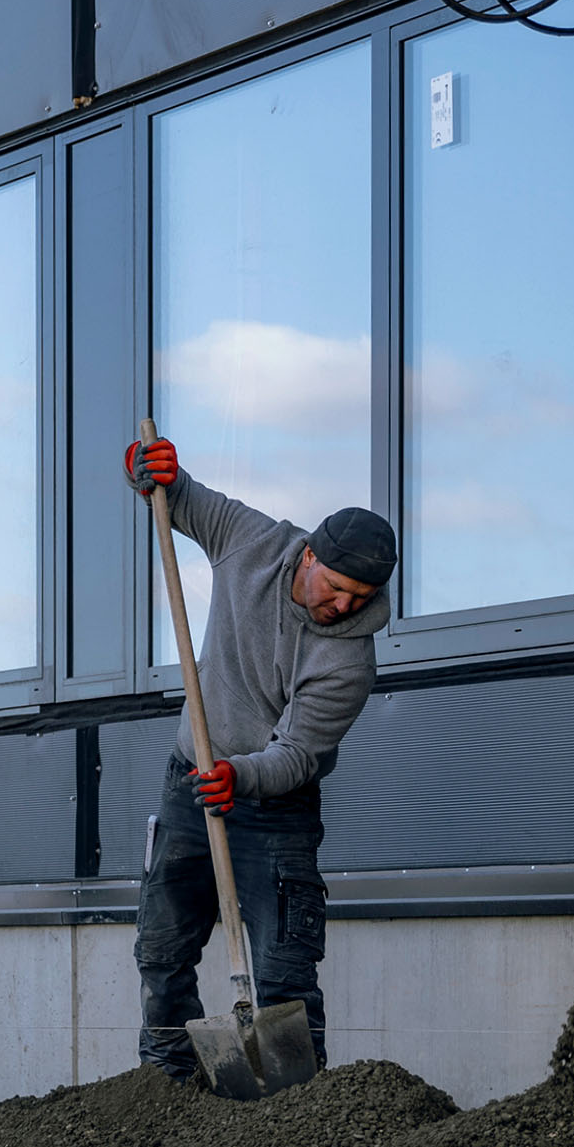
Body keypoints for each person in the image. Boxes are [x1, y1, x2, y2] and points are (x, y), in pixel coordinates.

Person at [123, 432, 398, 1085]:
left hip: (276, 805)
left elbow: (297, 753)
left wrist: (240, 776)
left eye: (359, 600)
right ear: (307, 557)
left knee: (283, 967)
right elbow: (178, 498)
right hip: (191, 779)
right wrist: (149, 472)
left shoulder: (349, 662)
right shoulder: (251, 541)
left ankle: (294, 1108)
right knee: (161, 949)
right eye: (335, 588)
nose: (341, 608)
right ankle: (169, 1087)